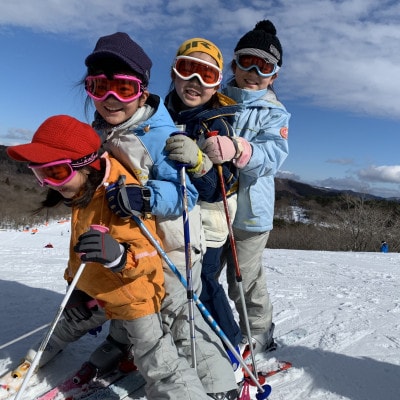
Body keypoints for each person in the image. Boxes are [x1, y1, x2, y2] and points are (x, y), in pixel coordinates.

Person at [6, 114, 208, 399]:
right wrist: (74, 288)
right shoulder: (81, 193)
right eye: (40, 174)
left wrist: (119, 257)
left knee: (157, 360)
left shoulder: (120, 195)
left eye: (57, 173)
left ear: (85, 165)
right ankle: (34, 357)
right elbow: (78, 252)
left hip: (134, 295)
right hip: (97, 291)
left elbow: (151, 256)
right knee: (64, 325)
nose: (49, 183)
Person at [82, 32, 239, 399]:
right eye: (99, 86)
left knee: (180, 318)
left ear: (141, 89)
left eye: (122, 88)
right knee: (132, 300)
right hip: (136, 244)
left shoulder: (157, 132)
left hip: (174, 244)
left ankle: (219, 384)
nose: (110, 98)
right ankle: (125, 345)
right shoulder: (104, 129)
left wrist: (146, 196)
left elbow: (186, 195)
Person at [202, 20, 290, 356]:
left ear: (274, 75)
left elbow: (272, 157)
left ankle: (258, 332)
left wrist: (239, 149)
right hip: (212, 207)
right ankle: (205, 325)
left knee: (244, 279)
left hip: (250, 214)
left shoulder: (275, 113)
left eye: (264, 65)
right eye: (246, 62)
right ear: (233, 64)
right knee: (205, 273)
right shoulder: (216, 99)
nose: (253, 71)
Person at [164, 37, 242, 351]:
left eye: (207, 75)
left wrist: (200, 162)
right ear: (174, 72)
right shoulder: (162, 114)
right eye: (188, 69)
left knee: (205, 282)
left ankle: (230, 345)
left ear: (216, 85)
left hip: (209, 220)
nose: (195, 81)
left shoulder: (216, 124)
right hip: (173, 215)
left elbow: (214, 191)